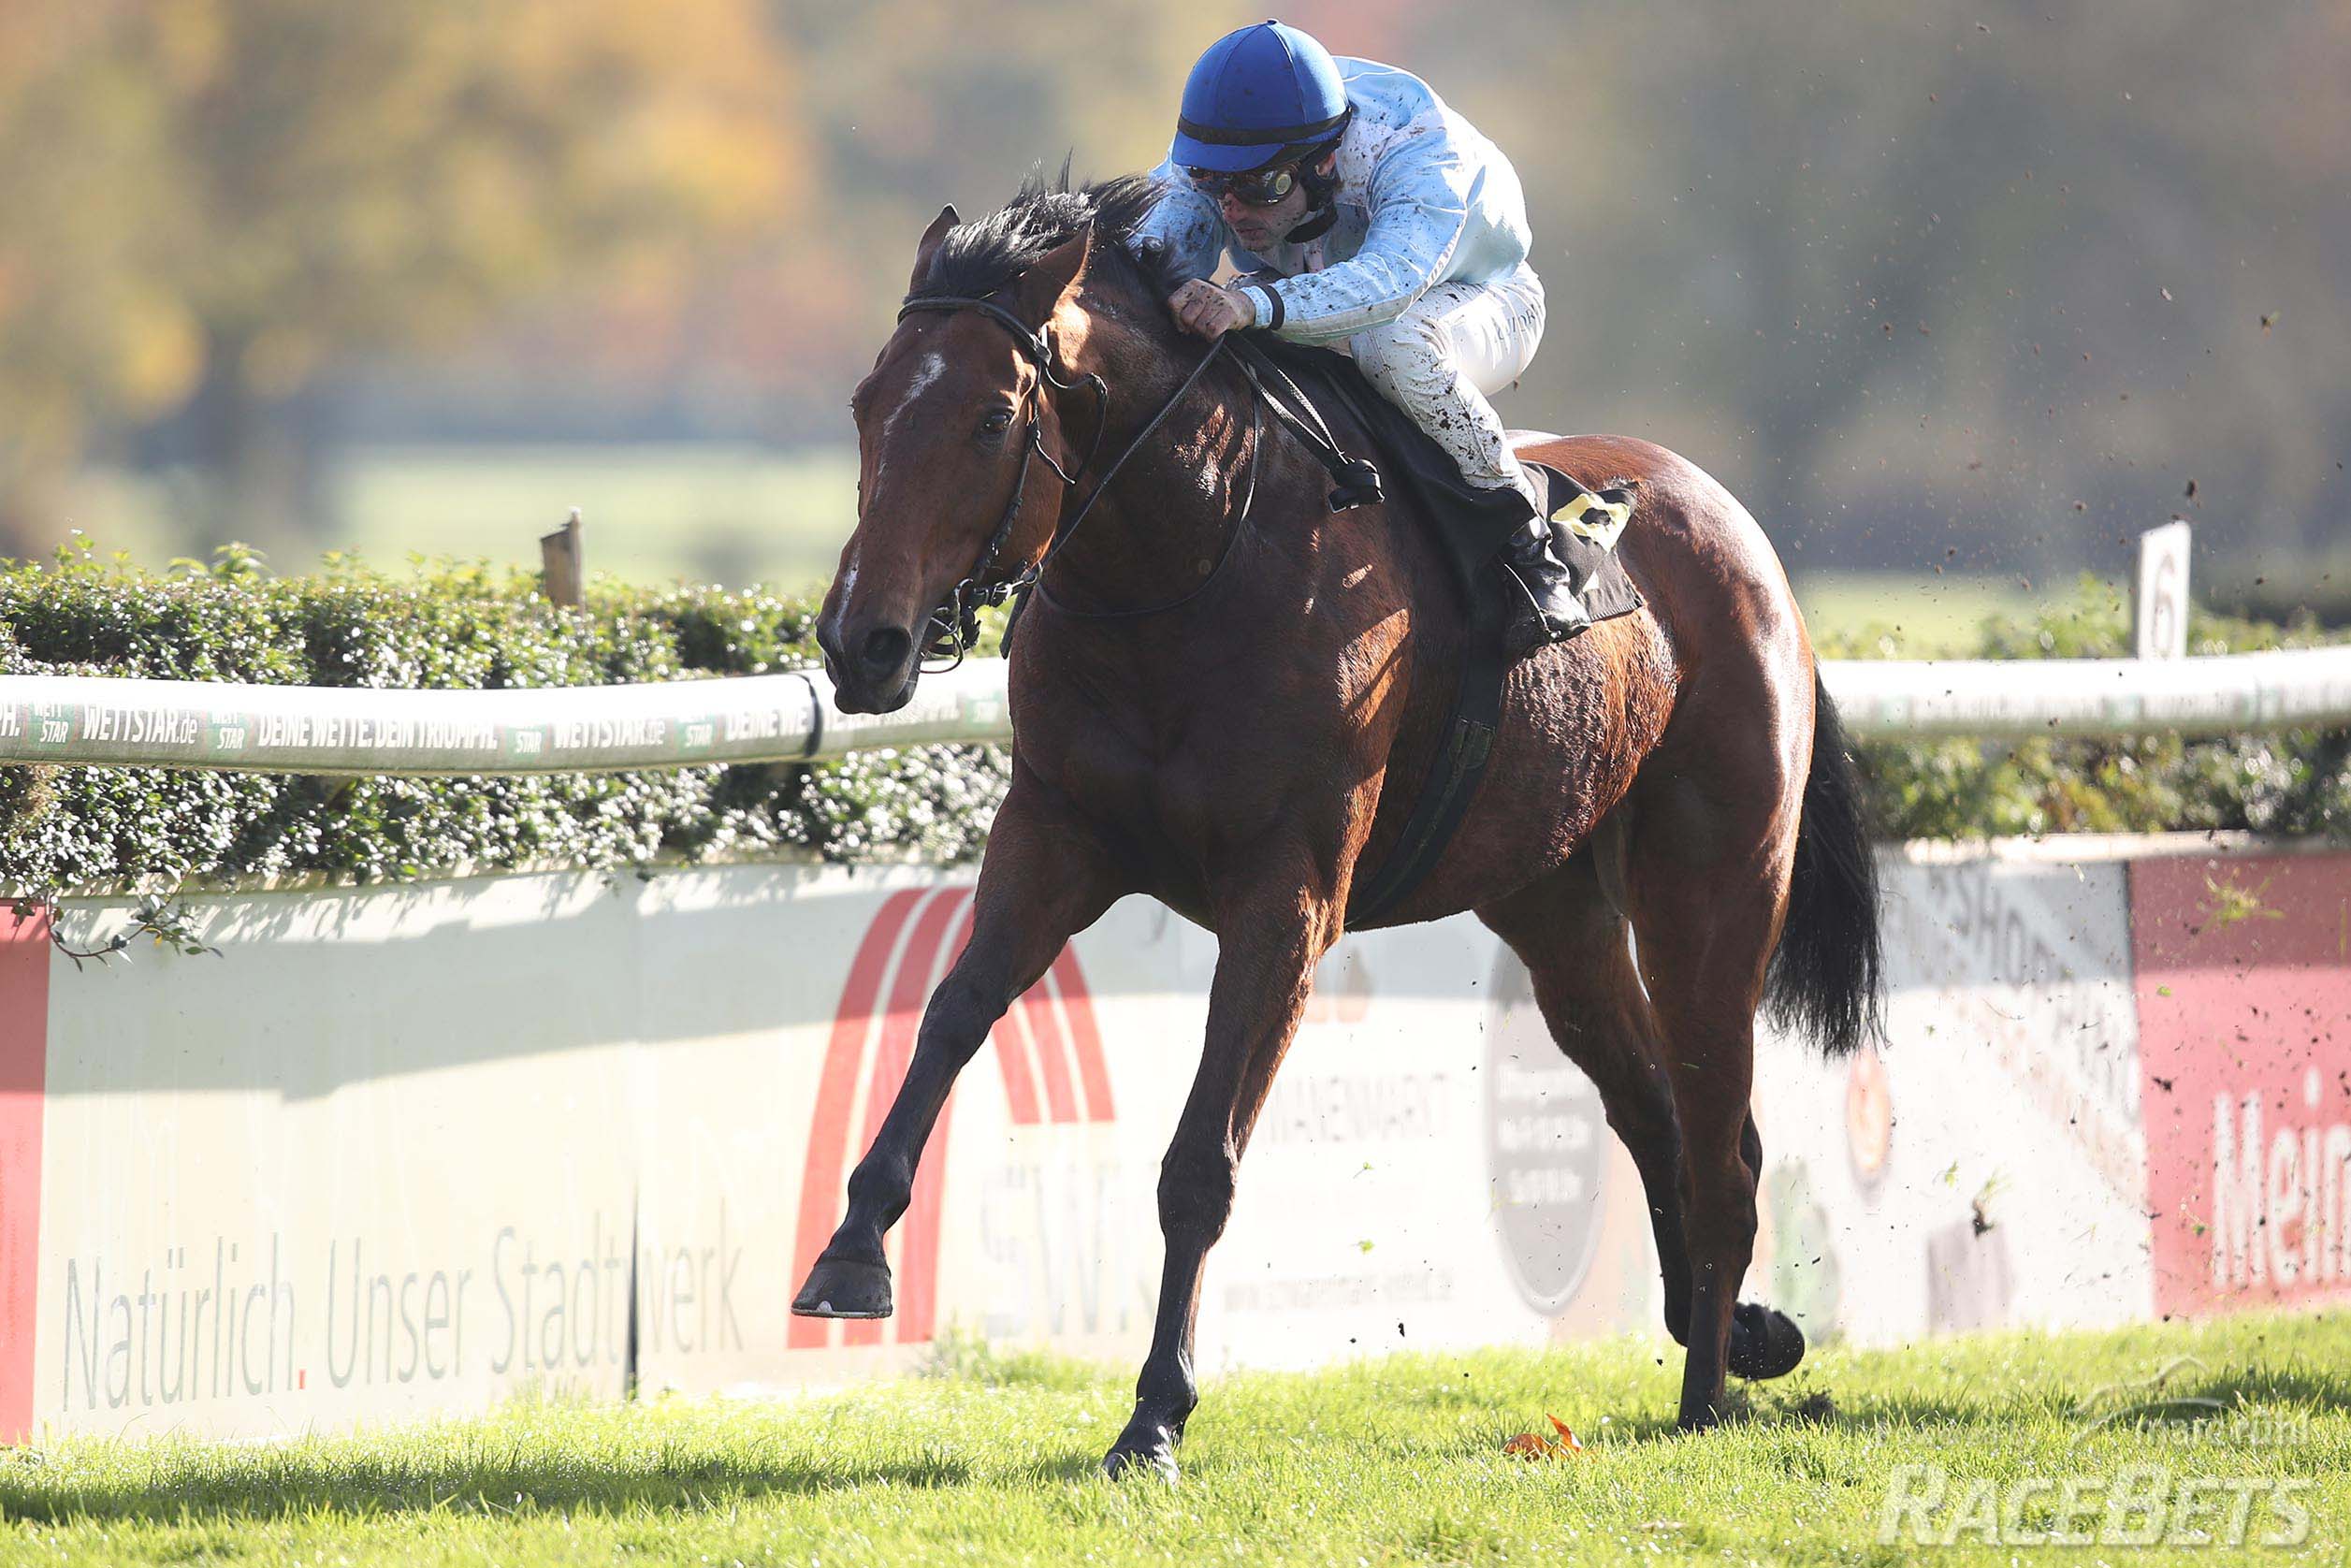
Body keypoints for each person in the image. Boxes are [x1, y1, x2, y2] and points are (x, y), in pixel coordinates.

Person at [1139, 20, 1588, 646]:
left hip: (1471, 296)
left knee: (1389, 343)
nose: (1233, 209)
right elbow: (1143, 261)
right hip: (1306, 289)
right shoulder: (1217, 154)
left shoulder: (1415, 146)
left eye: (1261, 187)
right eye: (1215, 186)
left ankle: (1525, 543)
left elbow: (1389, 284)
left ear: (1324, 160)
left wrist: (1248, 303)